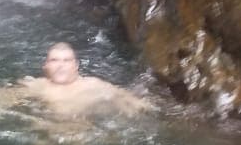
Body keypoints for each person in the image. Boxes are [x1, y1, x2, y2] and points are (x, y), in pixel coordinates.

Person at [16, 42, 151, 116]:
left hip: (81, 138)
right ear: (46, 65)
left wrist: (146, 108)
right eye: (54, 60)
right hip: (46, 133)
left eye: (66, 60)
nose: (60, 65)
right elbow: (4, 98)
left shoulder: (92, 84)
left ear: (76, 65)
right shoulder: (37, 86)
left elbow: (127, 98)